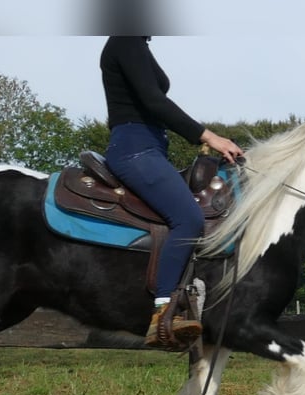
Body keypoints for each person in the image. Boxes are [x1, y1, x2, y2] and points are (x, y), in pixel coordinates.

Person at [101, 36, 244, 349]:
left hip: (151, 148)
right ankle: (162, 315)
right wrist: (211, 137)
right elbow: (154, 101)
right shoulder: (125, 42)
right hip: (135, 149)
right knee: (188, 217)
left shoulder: (137, 45)